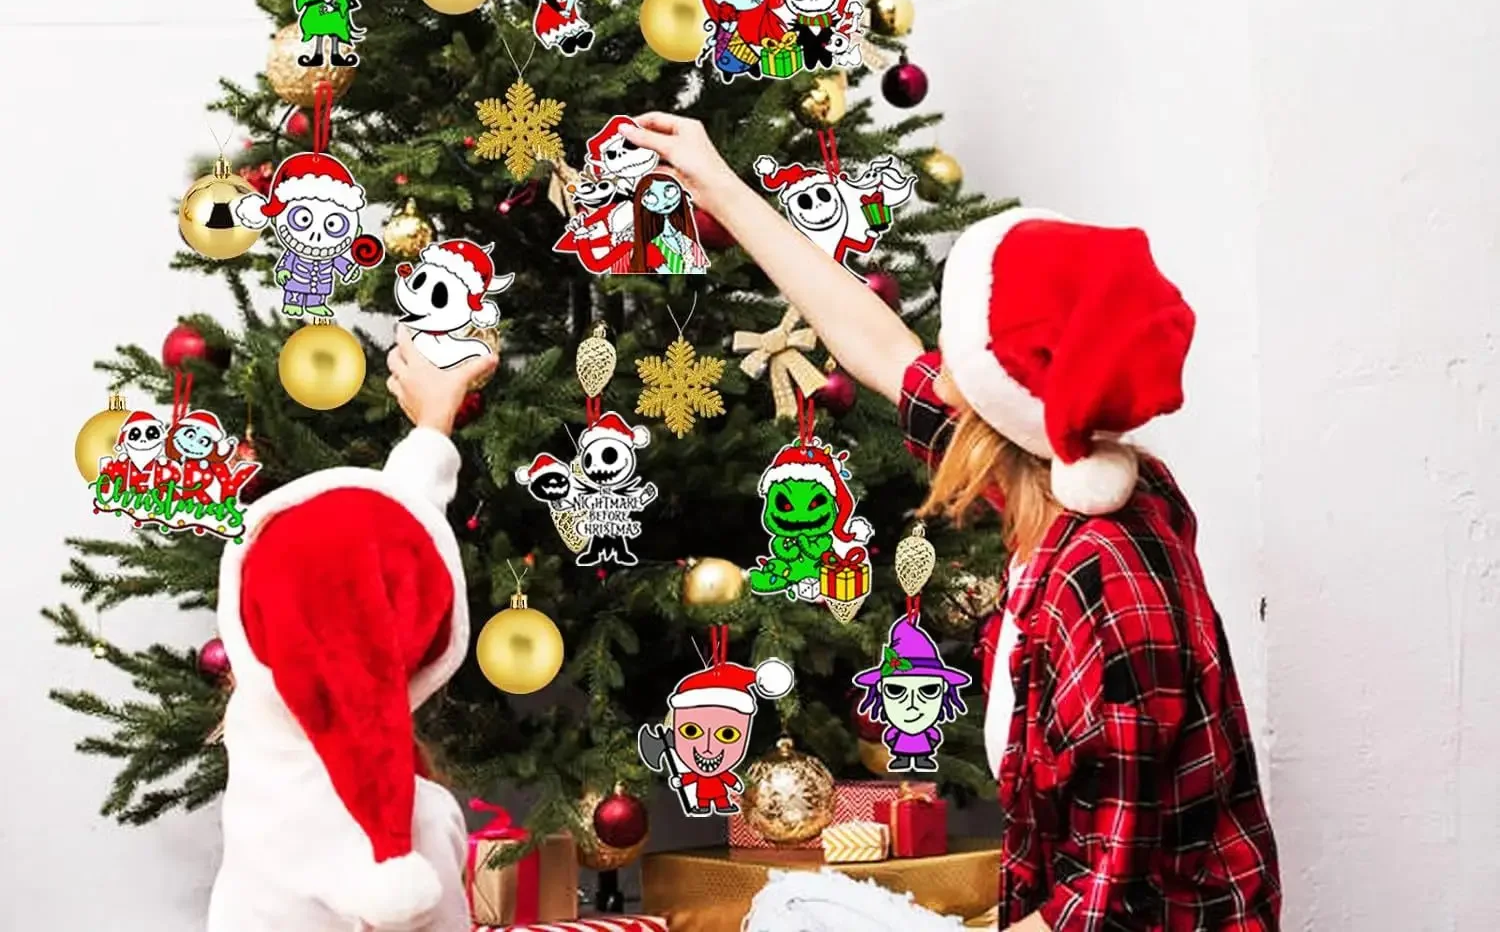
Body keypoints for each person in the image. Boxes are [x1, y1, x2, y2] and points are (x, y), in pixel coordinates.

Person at [618, 113, 1281, 932]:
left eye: (959, 352)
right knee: (790, 904)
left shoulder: (1104, 573)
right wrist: (714, 180)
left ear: (998, 394)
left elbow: (1105, 894)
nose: (938, 363)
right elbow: (872, 341)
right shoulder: (1060, 470)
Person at [207, 331, 494, 932]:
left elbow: (348, 573)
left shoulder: (262, 747)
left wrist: (432, 430)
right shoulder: (412, 829)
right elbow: (377, 573)